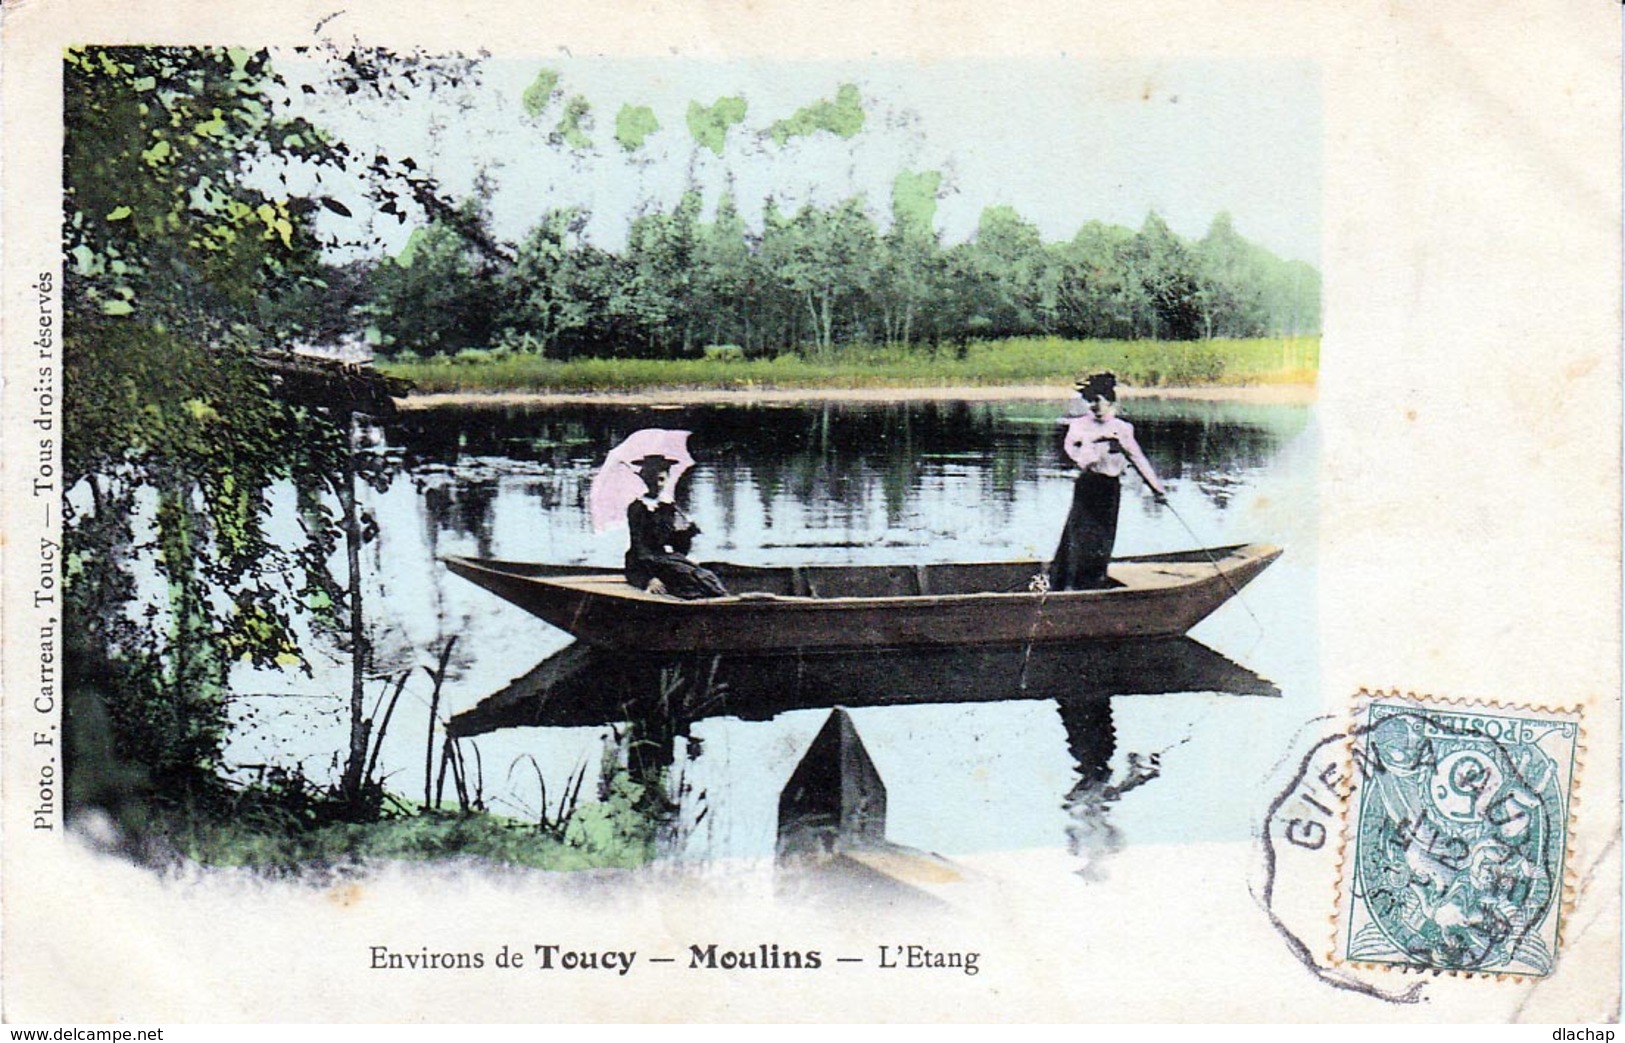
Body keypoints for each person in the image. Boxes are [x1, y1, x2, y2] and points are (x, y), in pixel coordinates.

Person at [1048, 372, 1167, 591]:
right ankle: (1066, 584)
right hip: (1088, 486)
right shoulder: (1079, 426)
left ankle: (1093, 583)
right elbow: (1081, 461)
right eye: (1090, 401)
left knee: (1103, 538)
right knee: (1079, 536)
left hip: (1110, 488)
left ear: (1110, 401)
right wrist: (1094, 441)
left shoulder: (1123, 428)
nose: (1093, 406)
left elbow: (1137, 458)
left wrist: (1157, 489)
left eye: (1097, 400)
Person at [624, 454, 729, 599]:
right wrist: (650, 578)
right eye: (652, 479)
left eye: (661, 479)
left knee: (704, 575)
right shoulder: (637, 508)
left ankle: (722, 599)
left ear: (667, 478)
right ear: (644, 478)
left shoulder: (667, 507)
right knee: (687, 576)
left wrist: (687, 534)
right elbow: (638, 544)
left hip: (663, 558)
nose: (657, 484)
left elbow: (677, 547)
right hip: (641, 564)